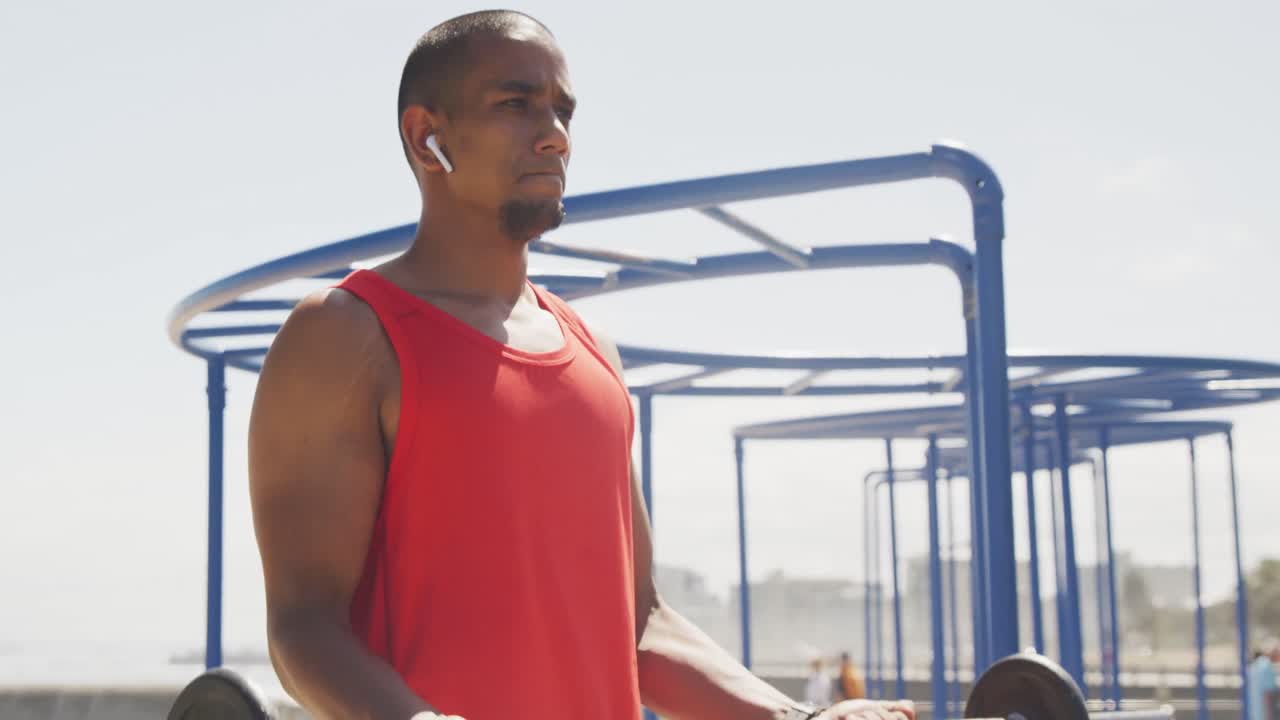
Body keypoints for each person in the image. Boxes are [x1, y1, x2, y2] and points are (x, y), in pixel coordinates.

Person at [247, 10, 917, 720]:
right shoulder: (344, 335)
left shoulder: (594, 352)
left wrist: (798, 719)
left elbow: (641, 624)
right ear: (425, 136)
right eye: (515, 104)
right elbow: (304, 627)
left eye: (562, 110)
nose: (555, 134)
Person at [1250, 644, 1280, 720]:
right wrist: (1269, 717)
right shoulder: (1267, 666)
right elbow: (1268, 694)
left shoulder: (1255, 664)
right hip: (1264, 713)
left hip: (1254, 711)